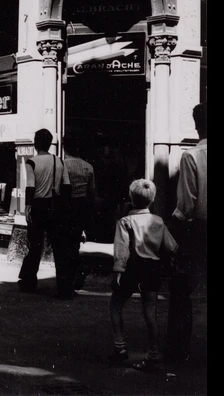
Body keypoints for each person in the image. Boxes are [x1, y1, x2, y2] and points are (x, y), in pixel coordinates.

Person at [108, 178, 178, 373]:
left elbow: (121, 250)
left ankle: (120, 346)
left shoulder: (125, 222)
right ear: (152, 199)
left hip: (132, 268)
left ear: (131, 198)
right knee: (150, 312)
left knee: (116, 305)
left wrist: (118, 272)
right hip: (152, 269)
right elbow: (171, 247)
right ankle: (153, 355)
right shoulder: (158, 221)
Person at [165, 102, 207, 364]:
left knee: (181, 289)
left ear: (196, 124)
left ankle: (179, 349)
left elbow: (186, 204)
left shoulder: (191, 156)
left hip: (199, 230)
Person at [18, 128, 72, 297]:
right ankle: (64, 287)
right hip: (56, 207)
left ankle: (29, 281)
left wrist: (27, 207)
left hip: (38, 206)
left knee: (35, 246)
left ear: (36, 143)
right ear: (49, 144)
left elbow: (31, 187)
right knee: (59, 247)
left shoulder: (31, 162)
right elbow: (67, 186)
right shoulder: (58, 161)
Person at [61, 135, 97, 292]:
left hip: (66, 205)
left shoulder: (62, 165)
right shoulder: (88, 167)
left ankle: (67, 278)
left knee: (64, 243)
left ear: (64, 147)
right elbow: (92, 192)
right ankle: (76, 274)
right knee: (76, 242)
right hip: (81, 206)